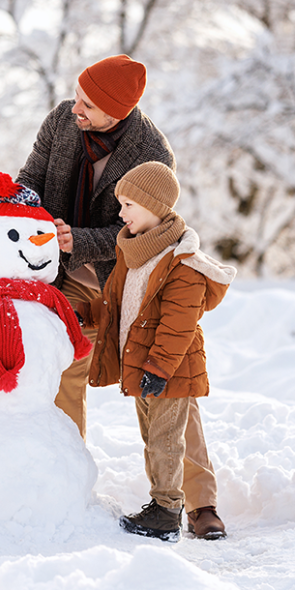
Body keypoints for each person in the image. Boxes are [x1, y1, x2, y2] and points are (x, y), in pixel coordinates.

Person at [14, 54, 228, 539]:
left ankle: (200, 502)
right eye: (78, 96)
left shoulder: (151, 153)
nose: (76, 109)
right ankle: (64, 485)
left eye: (89, 104)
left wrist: (80, 239)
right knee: (61, 367)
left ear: (118, 110)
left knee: (174, 387)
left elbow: (142, 230)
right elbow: (31, 175)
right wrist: (22, 203)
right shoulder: (61, 120)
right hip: (65, 273)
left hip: (128, 279)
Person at [80, 162, 236, 541]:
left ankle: (167, 511)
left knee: (167, 441)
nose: (121, 213)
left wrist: (160, 367)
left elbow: (178, 324)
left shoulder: (183, 263)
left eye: (129, 204)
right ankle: (161, 503)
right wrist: (83, 311)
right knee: (154, 439)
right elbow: (116, 304)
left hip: (168, 370)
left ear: (153, 206)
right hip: (142, 365)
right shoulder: (134, 253)